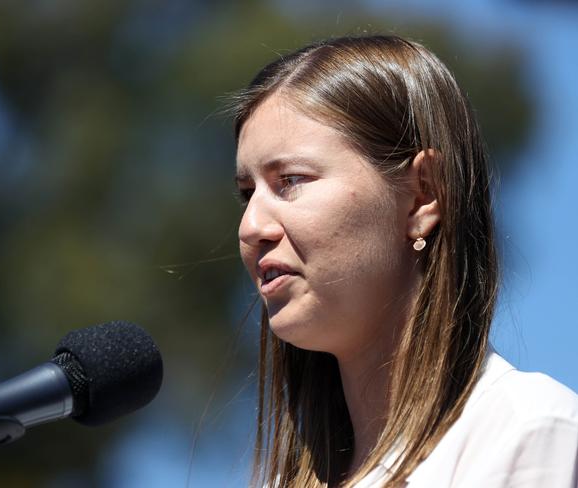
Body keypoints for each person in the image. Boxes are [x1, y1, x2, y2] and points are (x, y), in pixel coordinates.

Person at [231, 35, 578, 487]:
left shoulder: (525, 432)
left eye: (291, 180)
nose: (250, 227)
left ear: (422, 195)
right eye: (246, 193)